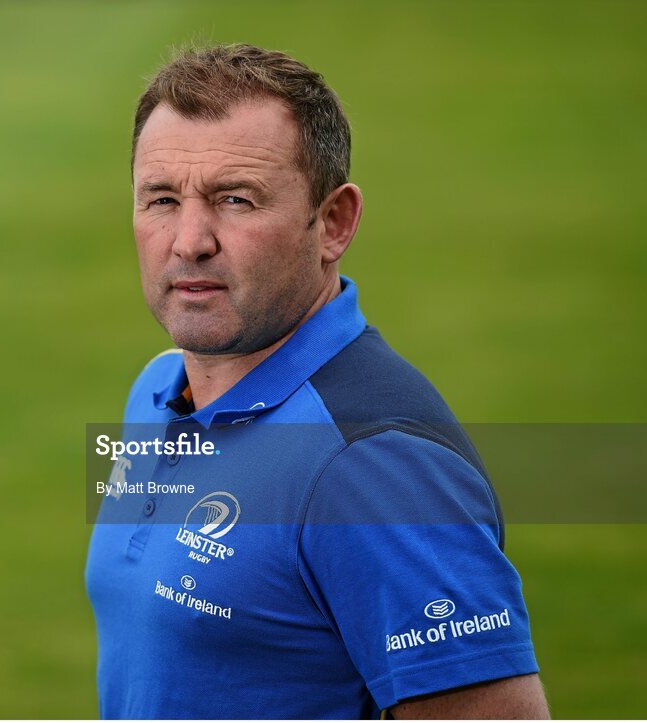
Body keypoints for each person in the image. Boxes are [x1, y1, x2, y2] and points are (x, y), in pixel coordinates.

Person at [85, 44, 549, 719]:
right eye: (161, 199)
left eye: (234, 199)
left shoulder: (372, 464)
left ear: (333, 223)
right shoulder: (157, 388)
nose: (188, 240)